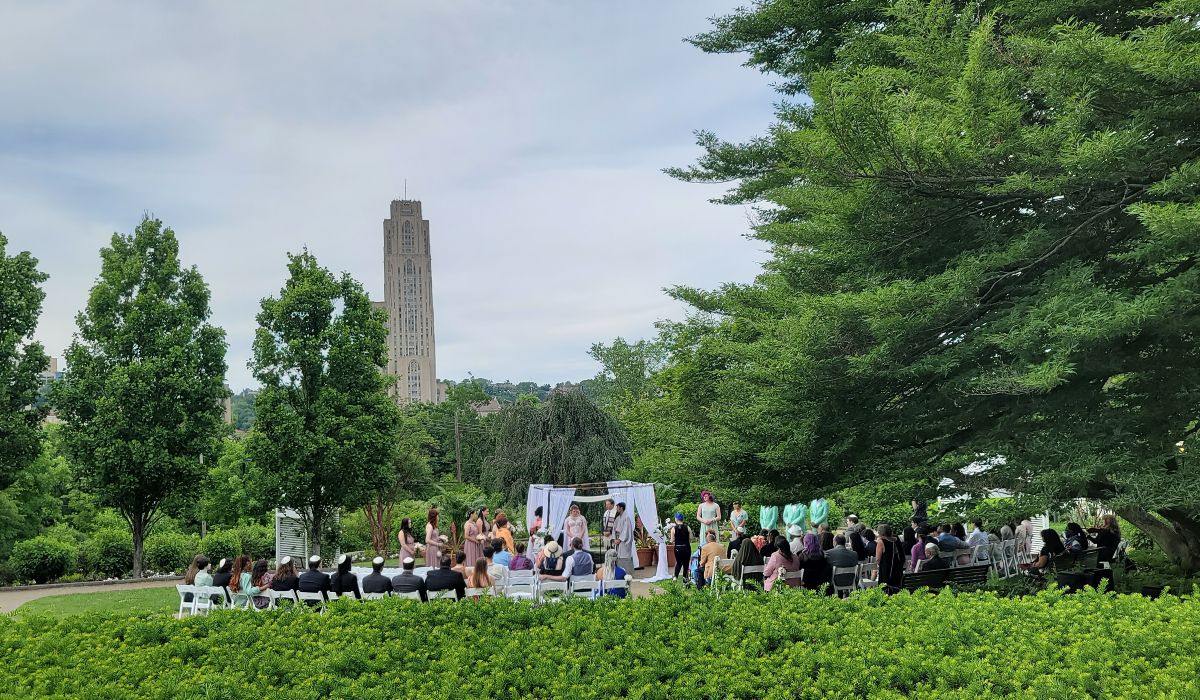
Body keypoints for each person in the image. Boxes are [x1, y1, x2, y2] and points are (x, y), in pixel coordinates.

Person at [874, 524, 904, 594]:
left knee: (885, 589)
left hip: (886, 569)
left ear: (881, 533)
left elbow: (878, 559)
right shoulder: (896, 540)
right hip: (897, 568)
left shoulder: (881, 542)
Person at [612, 501, 635, 574]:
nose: (616, 509)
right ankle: (620, 572)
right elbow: (614, 528)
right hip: (618, 539)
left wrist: (620, 539)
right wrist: (614, 539)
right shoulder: (618, 518)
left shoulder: (626, 517)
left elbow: (626, 530)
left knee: (624, 556)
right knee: (619, 556)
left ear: (621, 508)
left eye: (617, 507)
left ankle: (627, 572)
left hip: (624, 540)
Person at [671, 513, 692, 581]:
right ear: (683, 519)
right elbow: (691, 537)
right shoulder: (687, 527)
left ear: (676, 519)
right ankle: (685, 579)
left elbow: (672, 540)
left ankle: (675, 577)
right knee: (686, 564)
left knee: (679, 562)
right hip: (686, 548)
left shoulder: (673, 529)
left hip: (678, 548)